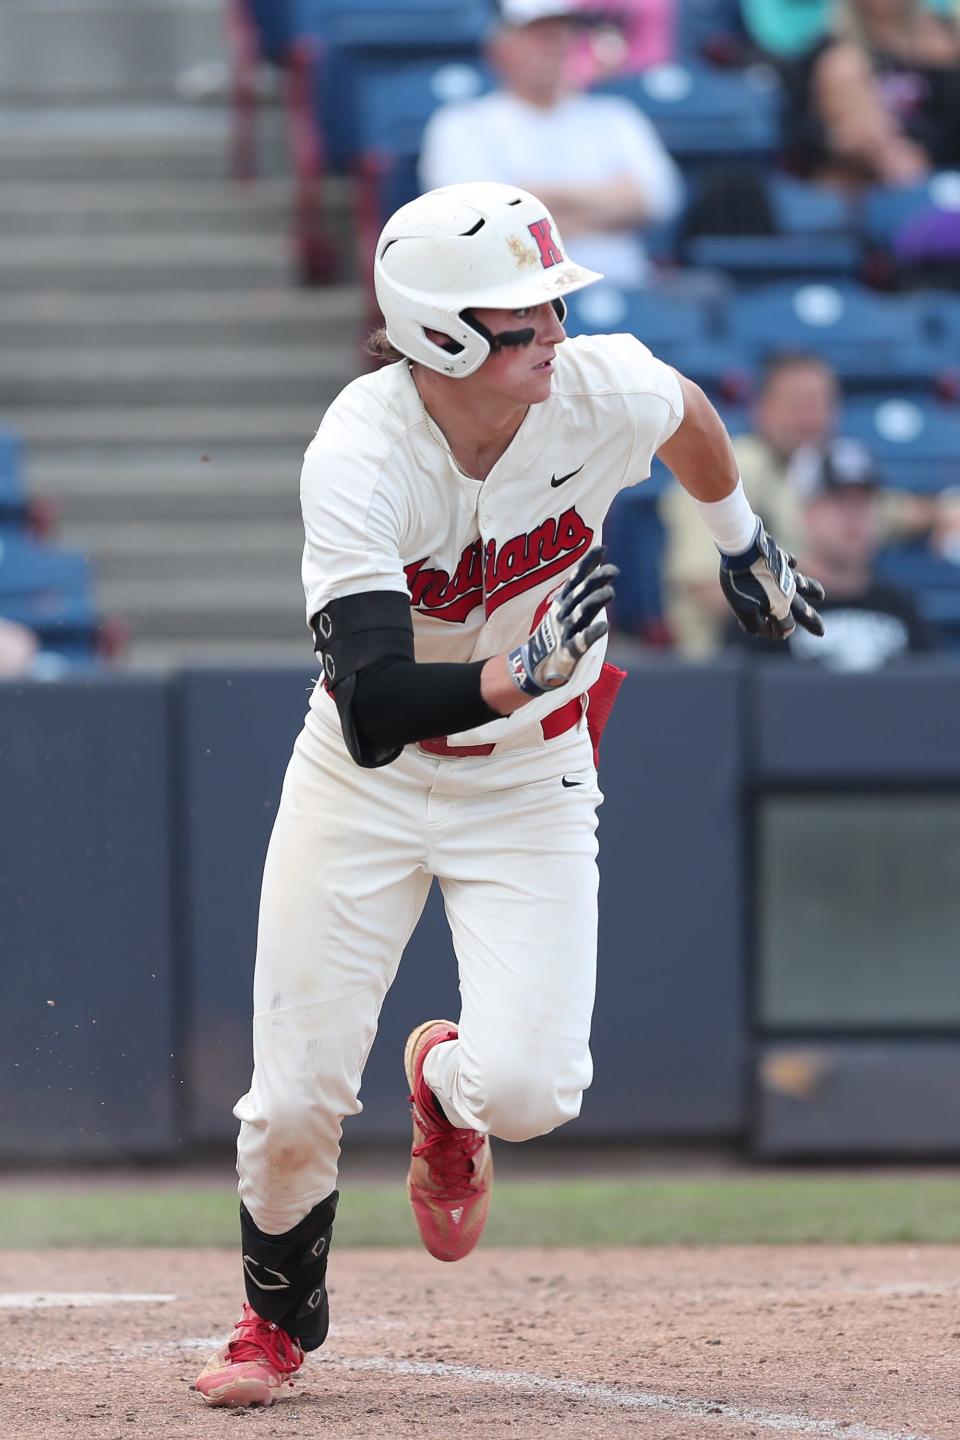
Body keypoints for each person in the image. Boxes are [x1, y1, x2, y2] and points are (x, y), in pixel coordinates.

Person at [194, 181, 823, 1409]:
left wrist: (742, 538)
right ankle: (276, 1324)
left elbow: (687, 412)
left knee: (535, 1092)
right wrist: (509, 671)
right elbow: (375, 703)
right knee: (293, 1103)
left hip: (531, 774)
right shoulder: (359, 454)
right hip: (365, 779)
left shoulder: (594, 389)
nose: (552, 333)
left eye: (550, 307)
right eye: (521, 318)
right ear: (438, 334)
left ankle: (443, 1089)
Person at [419, 0, 683, 287]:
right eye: (537, 35)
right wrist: (610, 205)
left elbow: (659, 198)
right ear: (499, 47)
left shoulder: (615, 116)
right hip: (514, 297)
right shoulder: (462, 124)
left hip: (624, 288)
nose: (551, 46)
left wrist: (536, 198)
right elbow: (478, 221)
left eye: (559, 33)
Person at [660, 351, 837, 659]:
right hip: (722, 661)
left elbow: (886, 514)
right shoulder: (731, 468)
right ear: (762, 410)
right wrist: (818, 579)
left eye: (819, 404)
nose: (809, 418)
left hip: (796, 652)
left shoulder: (818, 470)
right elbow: (706, 592)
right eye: (797, 405)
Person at [728, 436, 934, 668]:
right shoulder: (767, 611)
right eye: (839, 500)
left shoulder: (902, 607)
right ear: (807, 513)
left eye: (864, 502)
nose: (853, 515)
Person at [784, 0, 960, 186]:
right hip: (854, 178)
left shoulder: (944, 42)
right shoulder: (830, 53)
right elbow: (799, 132)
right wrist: (839, 143)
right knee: (844, 65)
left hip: (933, 169)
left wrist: (916, 148)